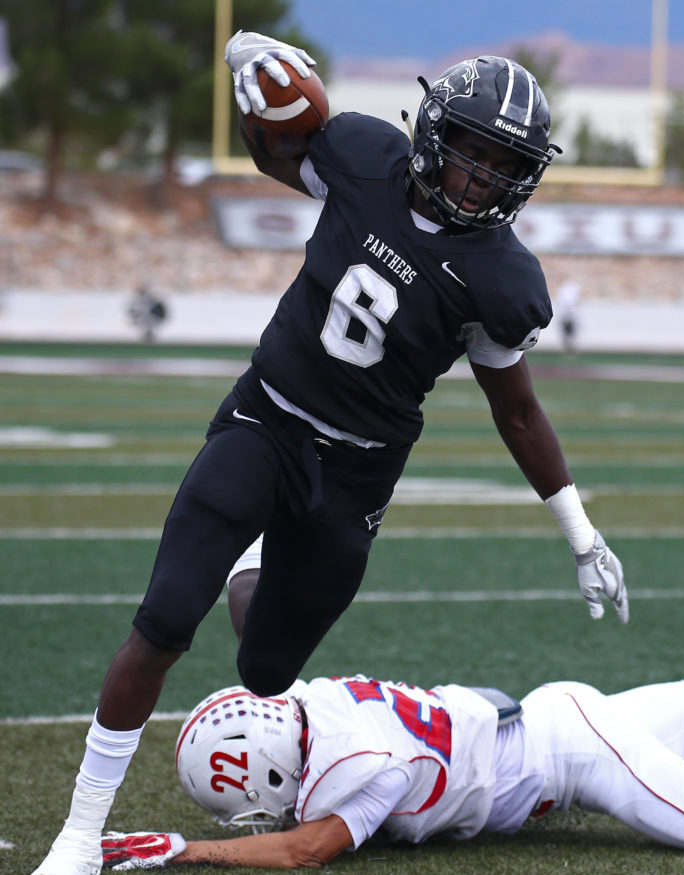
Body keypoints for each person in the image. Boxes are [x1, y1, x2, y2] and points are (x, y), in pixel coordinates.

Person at [33, 33, 628, 875]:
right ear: (432, 134)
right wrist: (257, 93)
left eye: (505, 164)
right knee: (164, 619)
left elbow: (519, 411)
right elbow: (279, 154)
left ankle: (249, 549)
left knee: (269, 671)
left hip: (355, 474)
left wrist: (580, 530)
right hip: (265, 419)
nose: (484, 177)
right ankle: (77, 835)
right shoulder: (362, 157)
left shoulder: (503, 278)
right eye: (472, 152)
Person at [97, 505, 684, 869]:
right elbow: (259, 633)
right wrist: (245, 563)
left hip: (568, 753)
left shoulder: (354, 767)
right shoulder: (319, 702)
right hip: (549, 718)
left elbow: (300, 851)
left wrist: (184, 849)